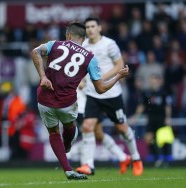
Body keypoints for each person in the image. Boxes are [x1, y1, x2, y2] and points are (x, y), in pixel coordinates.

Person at [30, 21, 129, 180]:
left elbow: (35, 52)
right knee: (70, 127)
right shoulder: (90, 58)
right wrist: (118, 76)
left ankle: (67, 169)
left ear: (68, 35)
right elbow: (101, 89)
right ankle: (68, 144)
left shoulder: (53, 44)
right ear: (83, 38)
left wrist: (43, 77)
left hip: (44, 98)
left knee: (53, 132)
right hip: (66, 103)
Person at [76, 17, 143, 176]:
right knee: (87, 126)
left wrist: (102, 77)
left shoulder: (109, 44)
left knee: (122, 128)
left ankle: (136, 158)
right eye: (87, 27)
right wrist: (81, 81)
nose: (90, 29)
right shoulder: (83, 46)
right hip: (92, 94)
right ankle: (88, 165)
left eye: (93, 26)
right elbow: (82, 68)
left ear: (99, 28)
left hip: (111, 93)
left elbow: (120, 65)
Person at [131, 74, 173, 167]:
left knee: (163, 139)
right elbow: (142, 105)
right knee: (149, 139)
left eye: (154, 79)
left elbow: (167, 106)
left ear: (158, 81)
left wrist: (168, 117)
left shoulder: (164, 92)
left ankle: (165, 158)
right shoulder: (147, 93)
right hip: (151, 118)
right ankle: (156, 156)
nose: (152, 82)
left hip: (161, 118)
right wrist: (136, 116)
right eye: (151, 80)